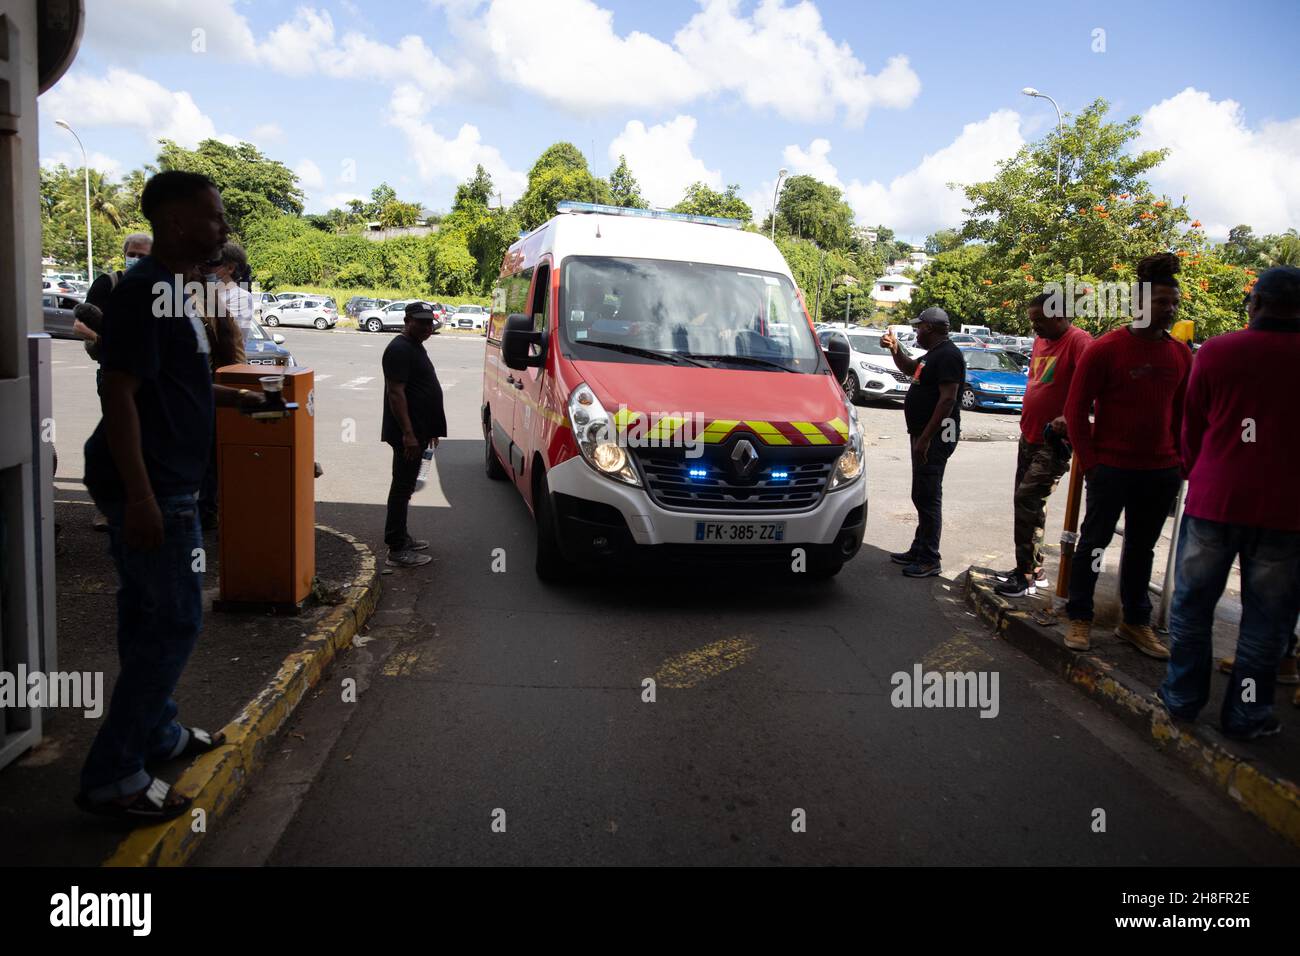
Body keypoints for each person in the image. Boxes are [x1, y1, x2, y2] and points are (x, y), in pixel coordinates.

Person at [77, 171, 266, 822]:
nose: (223, 228)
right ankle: (114, 776)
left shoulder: (173, 291)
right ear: (178, 222)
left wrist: (239, 399)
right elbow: (120, 395)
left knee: (144, 617)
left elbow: (174, 386)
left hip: (168, 482)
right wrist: (140, 499)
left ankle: (156, 732)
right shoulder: (142, 292)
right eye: (214, 216)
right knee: (175, 621)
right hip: (155, 486)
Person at [1158, 266, 1300, 738]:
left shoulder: (1217, 351)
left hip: (1214, 500)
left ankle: (1182, 698)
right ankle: (1246, 714)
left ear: (1255, 304)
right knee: (1265, 622)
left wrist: (1196, 471)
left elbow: (1191, 425)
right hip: (1285, 513)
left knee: (1193, 608)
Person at [1062, 253, 1193, 655]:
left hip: (1161, 471)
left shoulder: (1180, 354)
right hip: (1111, 469)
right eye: (1161, 302)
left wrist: (1181, 462)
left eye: (1174, 303)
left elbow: (1183, 414)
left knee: (1141, 548)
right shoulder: (1105, 349)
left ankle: (1135, 622)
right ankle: (1080, 617)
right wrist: (1092, 463)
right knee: (1094, 544)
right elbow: (1075, 411)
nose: (1170, 309)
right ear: (1138, 303)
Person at [995, 292, 1092, 597]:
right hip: (1030, 435)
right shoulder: (1041, 341)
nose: (1034, 326)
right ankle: (1032, 568)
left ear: (1059, 315)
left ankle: (1025, 576)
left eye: (1039, 320)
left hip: (1054, 440)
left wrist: (1070, 416)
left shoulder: (1079, 342)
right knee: (1026, 504)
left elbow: (1094, 386)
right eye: (1032, 320)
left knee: (1027, 498)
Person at [73, 232, 152, 532]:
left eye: (144, 256)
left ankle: (141, 502)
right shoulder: (108, 283)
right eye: (133, 254)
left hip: (151, 375)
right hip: (115, 374)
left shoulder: (161, 287)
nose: (137, 260)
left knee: (148, 440)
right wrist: (105, 340)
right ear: (125, 254)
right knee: (116, 440)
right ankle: (107, 508)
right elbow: (81, 325)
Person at [882, 306, 965, 578]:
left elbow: (948, 400)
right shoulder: (933, 355)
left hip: (936, 436)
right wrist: (895, 349)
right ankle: (919, 548)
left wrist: (926, 438)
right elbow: (910, 368)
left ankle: (930, 558)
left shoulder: (949, 355)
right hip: (924, 434)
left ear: (929, 328)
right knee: (921, 492)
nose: (916, 331)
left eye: (919, 327)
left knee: (928, 495)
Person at [381, 301, 446, 568]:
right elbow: (395, 394)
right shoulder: (399, 349)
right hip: (407, 433)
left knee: (406, 487)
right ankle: (396, 548)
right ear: (407, 321)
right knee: (402, 487)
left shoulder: (414, 346)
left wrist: (430, 430)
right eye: (421, 322)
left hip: (419, 430)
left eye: (430, 323)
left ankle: (402, 537)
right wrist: (408, 434)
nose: (427, 327)